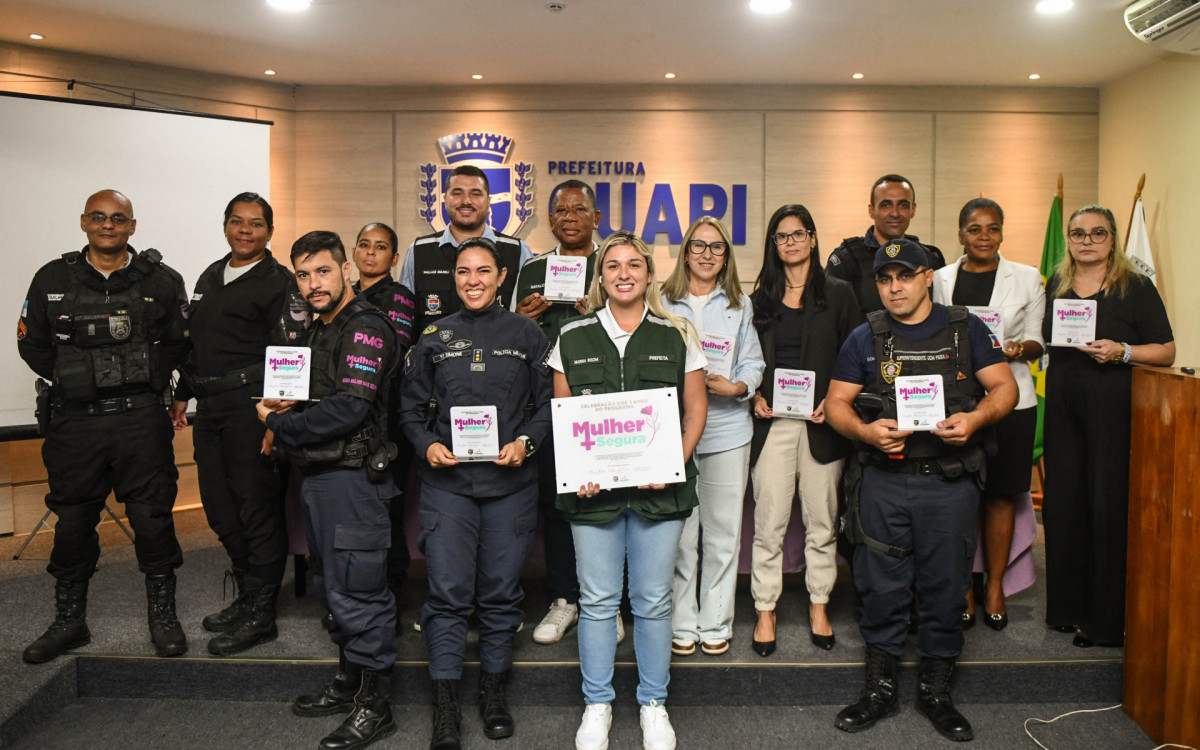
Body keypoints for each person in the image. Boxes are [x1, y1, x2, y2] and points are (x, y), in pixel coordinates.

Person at [825, 239, 1017, 742]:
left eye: (905, 276)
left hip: (949, 483)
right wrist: (865, 432)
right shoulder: (866, 335)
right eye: (885, 279)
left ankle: (936, 693)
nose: (895, 287)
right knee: (880, 588)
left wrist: (975, 419)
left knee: (946, 587)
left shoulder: (965, 328)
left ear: (928, 277)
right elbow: (837, 403)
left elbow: (1005, 388)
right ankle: (879, 691)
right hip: (884, 481)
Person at [550, 232, 708, 750]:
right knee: (597, 601)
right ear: (601, 277)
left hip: (660, 492)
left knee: (653, 601)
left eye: (634, 265)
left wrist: (672, 462)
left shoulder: (677, 333)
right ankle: (596, 704)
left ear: (649, 274)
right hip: (592, 495)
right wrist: (579, 466)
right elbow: (564, 417)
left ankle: (653, 704)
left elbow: (696, 411)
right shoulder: (572, 336)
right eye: (613, 265)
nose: (624, 274)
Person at [18, 189, 189, 663]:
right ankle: (69, 622)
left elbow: (179, 342)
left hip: (141, 421)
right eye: (98, 217)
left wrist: (141, 377)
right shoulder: (52, 278)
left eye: (117, 218)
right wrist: (79, 378)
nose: (107, 225)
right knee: (73, 522)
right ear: (83, 222)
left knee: (153, 520)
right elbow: (31, 343)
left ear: (132, 226)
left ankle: (163, 617)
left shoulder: (162, 280)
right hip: (76, 423)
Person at [400, 237, 552, 749]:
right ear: (454, 278)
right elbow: (409, 409)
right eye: (463, 271)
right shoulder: (433, 335)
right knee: (447, 594)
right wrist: (427, 445)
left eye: (483, 271)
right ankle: (445, 705)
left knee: (501, 593)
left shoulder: (528, 334)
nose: (472, 280)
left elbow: (548, 405)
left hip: (511, 485)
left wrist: (526, 443)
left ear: (502, 276)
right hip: (449, 487)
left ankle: (492, 692)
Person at [257, 231, 400, 750]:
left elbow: (349, 409)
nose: (313, 283)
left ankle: (376, 707)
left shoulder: (365, 327)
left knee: (360, 592)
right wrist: (285, 406)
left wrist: (278, 424)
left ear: (345, 270)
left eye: (322, 271)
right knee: (333, 590)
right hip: (319, 477)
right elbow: (317, 396)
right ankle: (348, 683)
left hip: (353, 481)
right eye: (303, 274)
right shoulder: (319, 329)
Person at [1041, 205, 1174, 648]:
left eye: (1097, 233)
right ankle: (1066, 609)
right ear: (1068, 240)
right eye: (1078, 234)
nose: (1087, 241)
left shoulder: (1134, 286)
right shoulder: (1056, 284)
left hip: (1112, 413)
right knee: (1064, 506)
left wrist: (1124, 351)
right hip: (1064, 411)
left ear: (1113, 239)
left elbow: (1167, 350)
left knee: (1106, 508)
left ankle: (1105, 620)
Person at [168, 192, 293, 657]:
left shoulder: (279, 282)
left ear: (269, 232)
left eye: (256, 223)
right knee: (220, 508)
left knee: (256, 507)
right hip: (210, 408)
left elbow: (289, 353)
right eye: (237, 221)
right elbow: (196, 342)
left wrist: (275, 420)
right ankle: (247, 592)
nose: (245, 230)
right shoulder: (210, 275)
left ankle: (262, 612)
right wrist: (183, 392)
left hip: (252, 407)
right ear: (225, 226)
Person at [747, 205, 862, 656]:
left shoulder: (839, 293)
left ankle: (819, 605)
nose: (790, 242)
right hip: (773, 423)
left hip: (822, 424)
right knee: (769, 523)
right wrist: (754, 395)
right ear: (773, 245)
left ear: (813, 239)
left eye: (798, 234)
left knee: (821, 522)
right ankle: (765, 609)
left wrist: (834, 401)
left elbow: (856, 356)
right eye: (782, 236)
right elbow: (746, 358)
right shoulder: (760, 297)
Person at [932, 198, 1045, 631]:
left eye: (993, 228)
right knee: (959, 496)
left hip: (1011, 401)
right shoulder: (941, 278)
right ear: (960, 233)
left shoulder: (1028, 278)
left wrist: (1015, 349)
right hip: (956, 403)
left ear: (1002, 232)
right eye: (975, 228)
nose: (984, 236)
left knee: (1000, 495)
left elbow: (1037, 341)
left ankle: (994, 585)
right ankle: (963, 587)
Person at [659, 216, 764, 657]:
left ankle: (715, 621)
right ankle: (682, 621)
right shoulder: (660, 301)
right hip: (673, 430)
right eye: (698, 245)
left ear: (726, 257)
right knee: (680, 535)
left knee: (722, 533)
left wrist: (738, 387)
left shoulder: (740, 304)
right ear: (685, 253)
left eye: (717, 247)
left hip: (727, 429)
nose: (707, 254)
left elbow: (753, 362)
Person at [511, 179, 601, 646]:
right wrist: (522, 321)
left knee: (606, 503)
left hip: (604, 406)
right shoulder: (532, 270)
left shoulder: (613, 263)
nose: (569, 217)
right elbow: (511, 339)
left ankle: (606, 602)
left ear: (596, 218)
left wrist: (597, 315)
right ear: (549, 220)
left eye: (579, 209)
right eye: (561, 211)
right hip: (547, 406)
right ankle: (565, 597)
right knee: (557, 503)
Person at [351, 222, 417, 605]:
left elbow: (390, 353)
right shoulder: (343, 294)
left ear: (394, 258)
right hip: (349, 418)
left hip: (388, 421)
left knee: (386, 508)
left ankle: (392, 587)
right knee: (355, 508)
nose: (370, 252)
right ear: (354, 253)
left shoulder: (400, 297)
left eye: (380, 247)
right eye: (364, 245)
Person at [400, 165, 534, 333]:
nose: (466, 201)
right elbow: (403, 319)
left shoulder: (518, 251)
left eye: (475, 194)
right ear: (445, 199)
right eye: (457, 193)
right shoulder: (418, 251)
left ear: (488, 200)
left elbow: (529, 319)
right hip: (432, 350)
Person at [826, 174, 946, 315]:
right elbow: (831, 316)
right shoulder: (846, 259)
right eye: (885, 205)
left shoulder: (930, 258)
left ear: (913, 210)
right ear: (872, 210)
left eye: (903, 205)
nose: (895, 213)